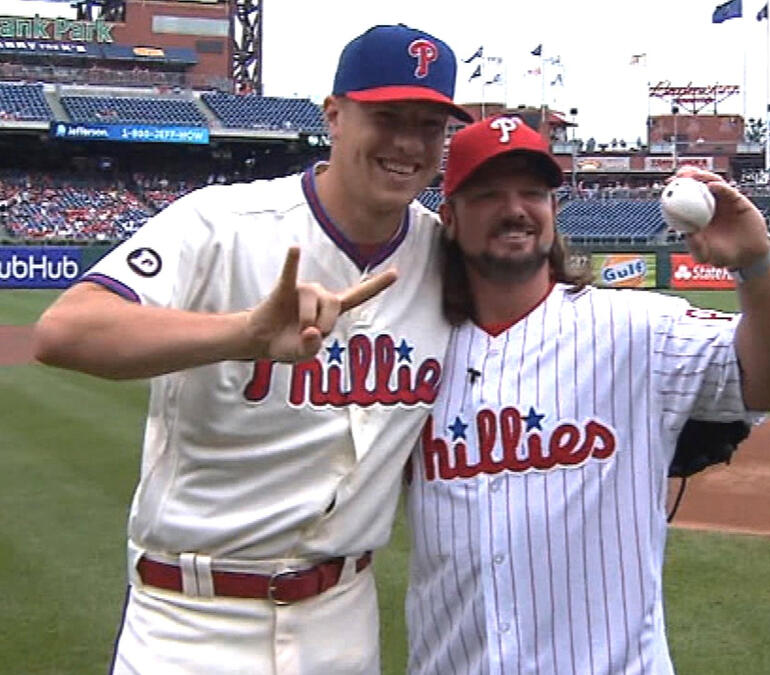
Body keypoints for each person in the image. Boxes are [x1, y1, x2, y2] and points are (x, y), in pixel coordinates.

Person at [32, 24, 472, 675]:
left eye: (430, 124)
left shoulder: (446, 257)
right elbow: (65, 330)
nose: (409, 143)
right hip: (190, 618)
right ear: (334, 116)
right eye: (387, 116)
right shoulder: (221, 223)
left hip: (342, 619)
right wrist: (244, 334)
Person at [403, 115, 770, 673]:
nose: (516, 208)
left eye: (533, 192)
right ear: (448, 217)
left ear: (553, 209)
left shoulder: (635, 327)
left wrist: (756, 265)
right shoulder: (413, 350)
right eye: (489, 193)